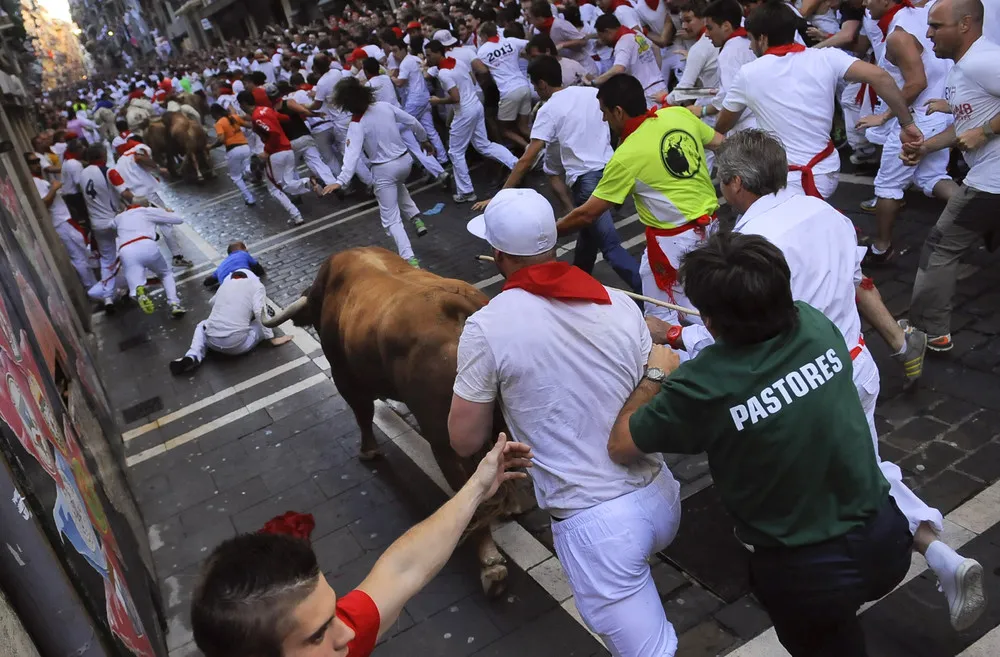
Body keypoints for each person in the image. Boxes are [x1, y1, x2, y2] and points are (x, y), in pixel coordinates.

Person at [671, 131, 984, 632]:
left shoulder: (754, 246)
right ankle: (937, 554)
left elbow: (751, 333)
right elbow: (855, 285)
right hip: (854, 365)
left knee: (831, 487)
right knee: (864, 471)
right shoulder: (830, 215)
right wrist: (897, 344)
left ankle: (835, 590)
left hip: (800, 378)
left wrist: (683, 337)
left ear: (733, 184)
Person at [607, 231, 914, 656]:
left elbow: (622, 443)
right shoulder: (814, 323)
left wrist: (656, 373)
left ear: (710, 321)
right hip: (887, 539)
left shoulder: (702, 385)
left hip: (806, 573)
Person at [450, 188, 682, 657]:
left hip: (596, 527)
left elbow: (464, 439)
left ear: (498, 256)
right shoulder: (617, 302)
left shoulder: (487, 327)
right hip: (661, 495)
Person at [191, 432, 530, 657]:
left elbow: (403, 569)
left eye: (334, 613)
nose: (348, 635)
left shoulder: (337, 634)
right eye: (318, 635)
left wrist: (476, 487)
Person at [558, 74, 724, 325]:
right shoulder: (677, 115)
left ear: (618, 111)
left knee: (693, 312)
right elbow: (722, 144)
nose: (603, 118)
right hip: (711, 227)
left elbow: (587, 214)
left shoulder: (626, 155)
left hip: (675, 244)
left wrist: (549, 232)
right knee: (674, 304)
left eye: (604, 112)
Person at [715, 0, 919, 199]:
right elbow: (881, 77)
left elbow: (724, 124)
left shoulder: (748, 73)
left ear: (763, 39)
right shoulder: (826, 57)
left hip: (786, 180)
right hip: (826, 171)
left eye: (751, 39)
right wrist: (907, 123)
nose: (750, 47)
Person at [475, 56, 642, 293]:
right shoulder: (589, 94)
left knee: (611, 248)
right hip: (613, 170)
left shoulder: (549, 109)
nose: (535, 90)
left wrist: (502, 197)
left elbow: (526, 159)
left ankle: (651, 297)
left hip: (589, 182)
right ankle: (573, 287)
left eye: (534, 85)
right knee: (587, 240)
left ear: (542, 84)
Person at [904, 0, 1000, 352]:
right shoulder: (962, 68)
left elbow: (978, 129)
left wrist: (987, 132)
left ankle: (930, 331)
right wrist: (926, 147)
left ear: (965, 25)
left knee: (939, 248)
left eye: (936, 26)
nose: (928, 34)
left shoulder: (982, 61)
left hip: (992, 181)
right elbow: (966, 124)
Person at [859, 0, 957, 264]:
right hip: (939, 113)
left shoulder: (899, 36)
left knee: (888, 186)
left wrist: (885, 116)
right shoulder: (926, 13)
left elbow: (916, 82)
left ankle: (881, 248)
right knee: (932, 176)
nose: (865, 4)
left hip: (919, 120)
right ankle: (979, 217)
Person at [320, 78, 432, 268]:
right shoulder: (384, 106)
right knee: (397, 185)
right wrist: (424, 139)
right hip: (405, 162)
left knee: (391, 219)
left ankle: (409, 259)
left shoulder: (357, 124)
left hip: (384, 169)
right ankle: (416, 218)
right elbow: (412, 121)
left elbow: (352, 155)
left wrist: (341, 181)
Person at [171, 243, 289, 376]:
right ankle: (264, 337)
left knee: (202, 325)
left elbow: (212, 302)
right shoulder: (256, 285)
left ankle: (192, 355)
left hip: (212, 340)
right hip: (236, 345)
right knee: (264, 321)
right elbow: (259, 312)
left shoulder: (226, 281)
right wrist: (271, 338)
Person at [425, 39, 519, 203]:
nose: (427, 59)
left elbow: (455, 98)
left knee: (455, 152)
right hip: (475, 105)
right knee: (483, 145)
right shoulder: (459, 63)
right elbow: (473, 80)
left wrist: (437, 101)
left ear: (439, 52)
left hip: (464, 112)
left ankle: (467, 191)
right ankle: (515, 163)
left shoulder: (444, 74)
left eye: (429, 55)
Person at [238, 90, 321, 226]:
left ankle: (297, 212)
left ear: (244, 104)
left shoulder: (257, 117)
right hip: (287, 150)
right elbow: (285, 118)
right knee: (287, 183)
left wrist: (266, 151)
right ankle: (298, 208)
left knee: (275, 189)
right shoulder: (265, 110)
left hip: (276, 153)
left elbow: (274, 134)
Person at [362, 57, 449, 184]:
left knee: (394, 153)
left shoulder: (369, 85)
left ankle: (397, 179)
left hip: (387, 123)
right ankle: (439, 172)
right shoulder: (386, 79)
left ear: (366, 71)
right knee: (416, 148)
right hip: (399, 116)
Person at [26, 153, 96, 291]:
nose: (37, 164)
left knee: (83, 252)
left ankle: (96, 287)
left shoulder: (40, 180)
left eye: (38, 161)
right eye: (33, 162)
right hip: (60, 222)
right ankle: (92, 289)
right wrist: (54, 188)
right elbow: (43, 203)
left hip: (65, 220)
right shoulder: (35, 182)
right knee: (79, 257)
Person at [111, 204, 187, 318]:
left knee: (136, 283)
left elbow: (110, 225)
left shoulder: (119, 217)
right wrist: (165, 211)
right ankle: (174, 303)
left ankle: (139, 291)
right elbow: (178, 220)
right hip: (146, 245)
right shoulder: (147, 211)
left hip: (126, 251)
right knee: (165, 274)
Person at [700, 0, 757, 133]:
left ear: (726, 26)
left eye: (709, 28)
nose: (706, 34)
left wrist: (717, 129)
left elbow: (730, 97)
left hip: (745, 127)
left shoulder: (729, 53)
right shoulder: (748, 41)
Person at [476, 22, 533, 150]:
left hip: (508, 92)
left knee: (504, 129)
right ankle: (545, 147)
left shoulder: (482, 51)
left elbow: (483, 72)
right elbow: (530, 44)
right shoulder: (510, 41)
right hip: (524, 86)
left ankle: (530, 149)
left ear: (484, 35)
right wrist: (524, 55)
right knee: (524, 127)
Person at [590, 14, 667, 108]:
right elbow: (655, 48)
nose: (601, 40)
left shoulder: (622, 43)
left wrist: (594, 81)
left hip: (648, 94)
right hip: (660, 85)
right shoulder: (635, 33)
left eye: (601, 36)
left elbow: (618, 68)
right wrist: (656, 73)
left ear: (607, 31)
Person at [209, 103, 257, 206]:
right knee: (244, 168)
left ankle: (249, 198)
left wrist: (211, 146)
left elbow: (221, 139)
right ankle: (249, 170)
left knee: (236, 176)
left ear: (215, 113)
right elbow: (249, 125)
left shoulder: (219, 123)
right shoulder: (234, 117)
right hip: (245, 147)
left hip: (233, 150)